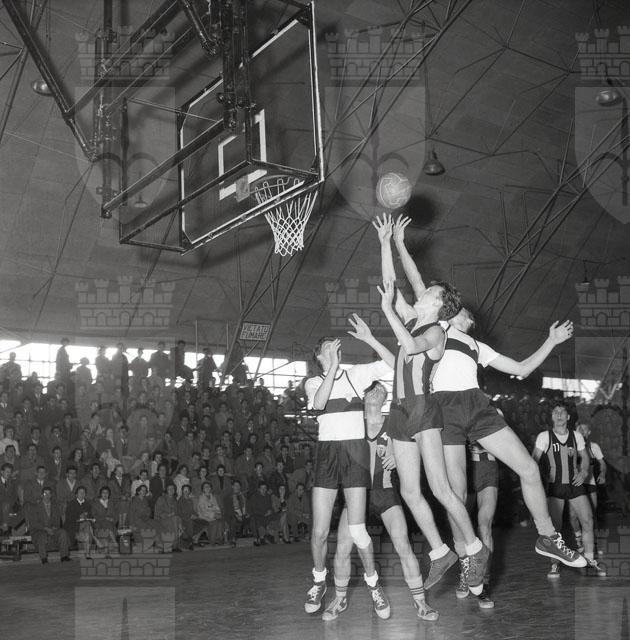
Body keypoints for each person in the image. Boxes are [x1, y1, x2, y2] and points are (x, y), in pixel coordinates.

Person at [375, 213, 482, 592]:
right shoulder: (414, 318)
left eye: (429, 293)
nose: (421, 293)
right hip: (399, 411)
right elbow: (392, 286)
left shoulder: (436, 331)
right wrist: (386, 243)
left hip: (423, 408)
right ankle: (440, 552)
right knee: (408, 491)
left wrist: (387, 311)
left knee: (440, 489)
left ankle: (474, 549)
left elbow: (409, 345)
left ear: (439, 305)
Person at [323, 382, 438, 622]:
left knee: (403, 545)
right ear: (362, 396)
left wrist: (398, 455)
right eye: (371, 389)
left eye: (380, 389)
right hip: (357, 494)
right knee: (342, 546)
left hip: (385, 493)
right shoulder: (352, 424)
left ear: (385, 398)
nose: (375, 391)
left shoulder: (393, 424)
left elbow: (416, 447)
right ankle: (340, 599)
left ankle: (421, 603)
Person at [303, 317, 393, 619]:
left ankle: (373, 585)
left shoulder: (356, 374)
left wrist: (370, 339)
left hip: (354, 454)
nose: (334, 351)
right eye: (328, 349)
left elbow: (393, 364)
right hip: (327, 454)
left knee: (357, 529)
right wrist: (332, 368)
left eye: (336, 347)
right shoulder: (313, 382)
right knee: (319, 532)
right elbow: (318, 404)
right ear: (319, 356)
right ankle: (319, 581)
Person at [532, 404, 605, 577]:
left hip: (575, 484)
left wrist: (584, 471)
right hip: (555, 486)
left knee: (588, 521)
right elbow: (533, 460)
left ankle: (589, 561)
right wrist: (536, 483)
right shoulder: (544, 436)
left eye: (562, 412)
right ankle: (555, 564)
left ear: (568, 417)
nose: (559, 415)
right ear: (552, 417)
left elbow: (585, 457)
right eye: (555, 412)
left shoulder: (576, 436)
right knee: (554, 528)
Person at [570, 422, 606, 542]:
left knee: (591, 515)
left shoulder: (593, 446)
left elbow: (602, 463)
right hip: (574, 484)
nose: (582, 431)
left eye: (584, 429)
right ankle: (578, 539)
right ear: (575, 431)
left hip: (590, 484)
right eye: (579, 429)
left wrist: (602, 473)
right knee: (573, 516)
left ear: (589, 432)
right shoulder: (569, 446)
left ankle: (592, 542)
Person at [28, 486, 71, 564]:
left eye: (49, 494)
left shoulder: (55, 507)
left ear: (51, 495)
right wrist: (46, 529)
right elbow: (34, 523)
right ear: (41, 495)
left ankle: (64, 556)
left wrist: (54, 528)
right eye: (45, 494)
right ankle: (44, 558)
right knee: (41, 536)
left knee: (63, 533)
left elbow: (57, 521)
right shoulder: (35, 507)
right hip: (40, 530)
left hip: (53, 529)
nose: (47, 496)